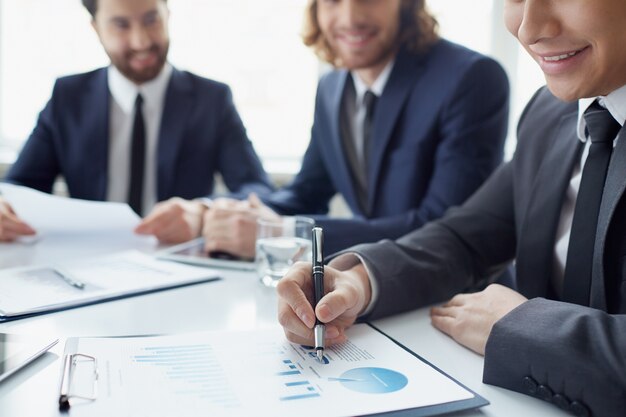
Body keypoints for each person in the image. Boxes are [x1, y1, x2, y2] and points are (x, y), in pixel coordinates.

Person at [277, 0, 626, 416]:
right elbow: (465, 238)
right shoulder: (550, 114)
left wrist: (525, 330)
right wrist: (357, 282)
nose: (529, 29)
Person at [196, 0, 509, 257]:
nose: (350, 17)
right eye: (332, 1)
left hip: (456, 299)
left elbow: (442, 227)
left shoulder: (472, 78)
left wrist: (287, 233)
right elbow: (306, 193)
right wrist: (214, 215)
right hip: (371, 291)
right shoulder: (331, 87)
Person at [0, 0, 272, 243]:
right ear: (96, 29)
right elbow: (20, 187)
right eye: (121, 25)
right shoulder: (67, 97)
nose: (141, 41)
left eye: (151, 20)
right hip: (88, 265)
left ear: (168, 14)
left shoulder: (211, 99)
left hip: (180, 265)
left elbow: (257, 189)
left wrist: (201, 212)